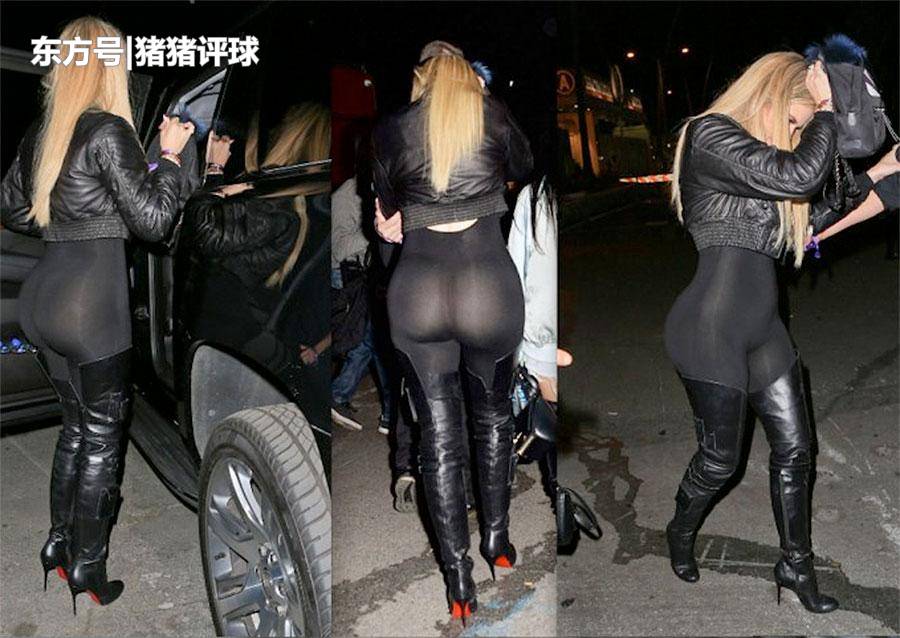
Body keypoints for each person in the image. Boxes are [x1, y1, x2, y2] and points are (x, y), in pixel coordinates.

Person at [663, 51, 896, 614]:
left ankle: (795, 566)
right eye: (794, 120)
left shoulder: (767, 172)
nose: (797, 132)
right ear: (772, 94)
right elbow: (801, 175)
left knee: (796, 450)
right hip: (708, 329)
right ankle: (679, 530)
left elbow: (811, 220)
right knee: (720, 462)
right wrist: (825, 108)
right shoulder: (710, 136)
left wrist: (883, 173)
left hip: (764, 328)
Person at [0, 17, 195, 611]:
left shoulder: (44, 133)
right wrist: (170, 158)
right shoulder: (110, 130)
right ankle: (89, 564)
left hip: (42, 296)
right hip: (90, 305)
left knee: (75, 429)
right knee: (103, 438)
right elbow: (154, 222)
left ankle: (58, 543)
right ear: (110, 66)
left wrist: (66, 214)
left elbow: (12, 208)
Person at [373, 42, 532, 623]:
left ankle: (458, 580)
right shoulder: (491, 114)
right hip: (486, 284)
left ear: (420, 79)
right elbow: (523, 166)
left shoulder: (392, 130)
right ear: (468, 77)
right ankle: (497, 540)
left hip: (417, 289)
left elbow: (386, 213)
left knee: (436, 438)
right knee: (492, 418)